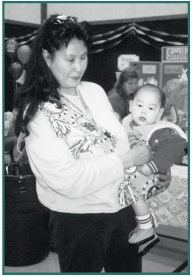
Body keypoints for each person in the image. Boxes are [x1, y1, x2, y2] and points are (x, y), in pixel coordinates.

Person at [14, 14, 171, 273]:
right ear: (46, 57)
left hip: (123, 210)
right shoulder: (38, 111)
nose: (79, 68)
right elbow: (67, 179)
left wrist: (153, 168)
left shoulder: (94, 91)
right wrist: (129, 161)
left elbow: (120, 142)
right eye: (70, 59)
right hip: (79, 220)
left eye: (84, 57)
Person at [121, 84, 187, 254]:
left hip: (147, 175)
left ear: (159, 113)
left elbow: (176, 144)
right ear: (130, 105)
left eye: (151, 108)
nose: (143, 112)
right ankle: (144, 229)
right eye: (139, 105)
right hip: (135, 173)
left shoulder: (159, 130)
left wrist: (151, 166)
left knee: (131, 191)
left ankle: (146, 227)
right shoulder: (127, 124)